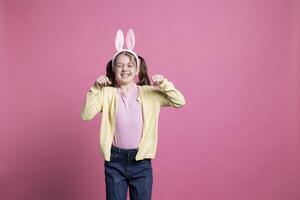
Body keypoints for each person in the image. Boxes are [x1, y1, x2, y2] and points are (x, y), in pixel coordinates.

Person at [80, 29, 186, 200]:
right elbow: (85, 115)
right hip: (115, 161)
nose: (125, 69)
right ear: (113, 69)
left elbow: (180, 101)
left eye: (130, 65)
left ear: (137, 69)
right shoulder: (107, 93)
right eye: (120, 65)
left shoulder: (149, 93)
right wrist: (95, 88)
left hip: (141, 162)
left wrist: (165, 84)